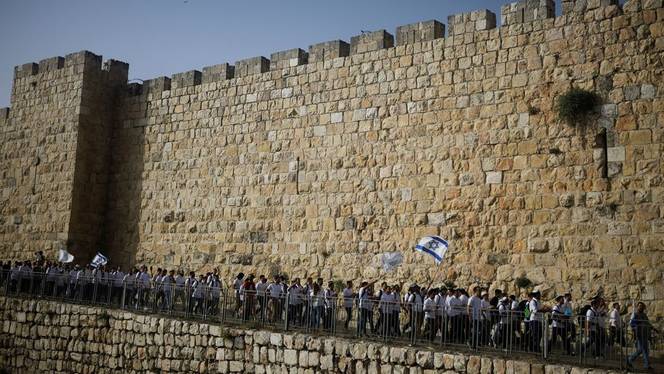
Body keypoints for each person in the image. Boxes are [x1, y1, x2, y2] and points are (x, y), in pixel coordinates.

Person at [627, 302, 658, 370]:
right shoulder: (635, 315)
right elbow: (632, 324)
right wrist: (636, 326)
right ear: (637, 307)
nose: (640, 307)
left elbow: (647, 323)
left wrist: (654, 328)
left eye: (642, 306)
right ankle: (629, 359)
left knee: (645, 350)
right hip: (640, 335)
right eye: (639, 306)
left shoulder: (644, 315)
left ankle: (646, 365)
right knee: (640, 350)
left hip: (645, 334)